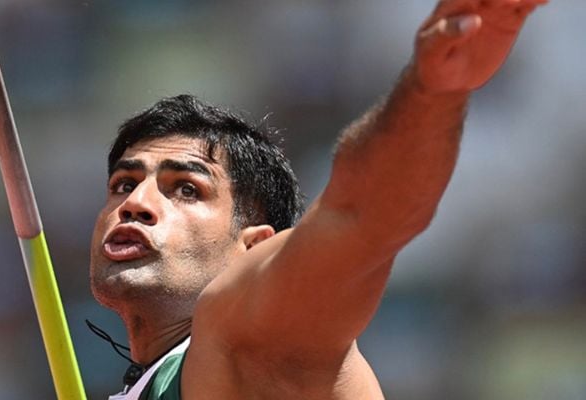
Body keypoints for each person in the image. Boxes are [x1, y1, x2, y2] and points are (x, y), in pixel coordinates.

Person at [89, 0, 548, 398]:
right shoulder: (167, 379)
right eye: (124, 184)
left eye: (187, 190)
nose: (136, 202)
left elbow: (359, 219)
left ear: (254, 246)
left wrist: (433, 91)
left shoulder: (249, 334)